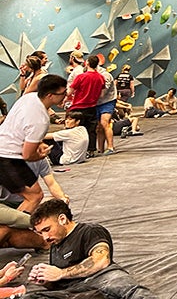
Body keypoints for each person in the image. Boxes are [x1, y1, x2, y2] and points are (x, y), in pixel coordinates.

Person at [27, 199, 159, 297]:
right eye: (40, 233)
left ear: (62, 219)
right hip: (75, 290)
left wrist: (61, 273)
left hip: (101, 278)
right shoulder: (56, 245)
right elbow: (59, 283)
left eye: (47, 229)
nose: (44, 237)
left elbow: (101, 261)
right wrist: (45, 280)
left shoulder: (90, 231)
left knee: (131, 291)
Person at [0, 75, 67, 212]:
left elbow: (22, 128)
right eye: (62, 94)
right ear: (50, 95)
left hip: (4, 149)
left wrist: (38, 142)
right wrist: (41, 155)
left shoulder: (28, 97)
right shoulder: (40, 119)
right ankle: (12, 231)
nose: (65, 96)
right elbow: (27, 155)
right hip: (7, 158)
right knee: (35, 196)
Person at [67, 55, 105, 159]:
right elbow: (101, 95)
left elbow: (70, 91)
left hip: (78, 107)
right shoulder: (101, 78)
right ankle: (91, 150)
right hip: (92, 106)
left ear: (87, 63)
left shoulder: (80, 77)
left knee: (75, 129)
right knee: (91, 130)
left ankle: (76, 150)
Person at [96, 59, 118, 156]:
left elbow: (102, 93)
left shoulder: (106, 75)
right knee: (99, 127)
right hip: (96, 103)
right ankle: (100, 149)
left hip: (107, 101)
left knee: (105, 122)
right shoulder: (86, 73)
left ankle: (110, 147)